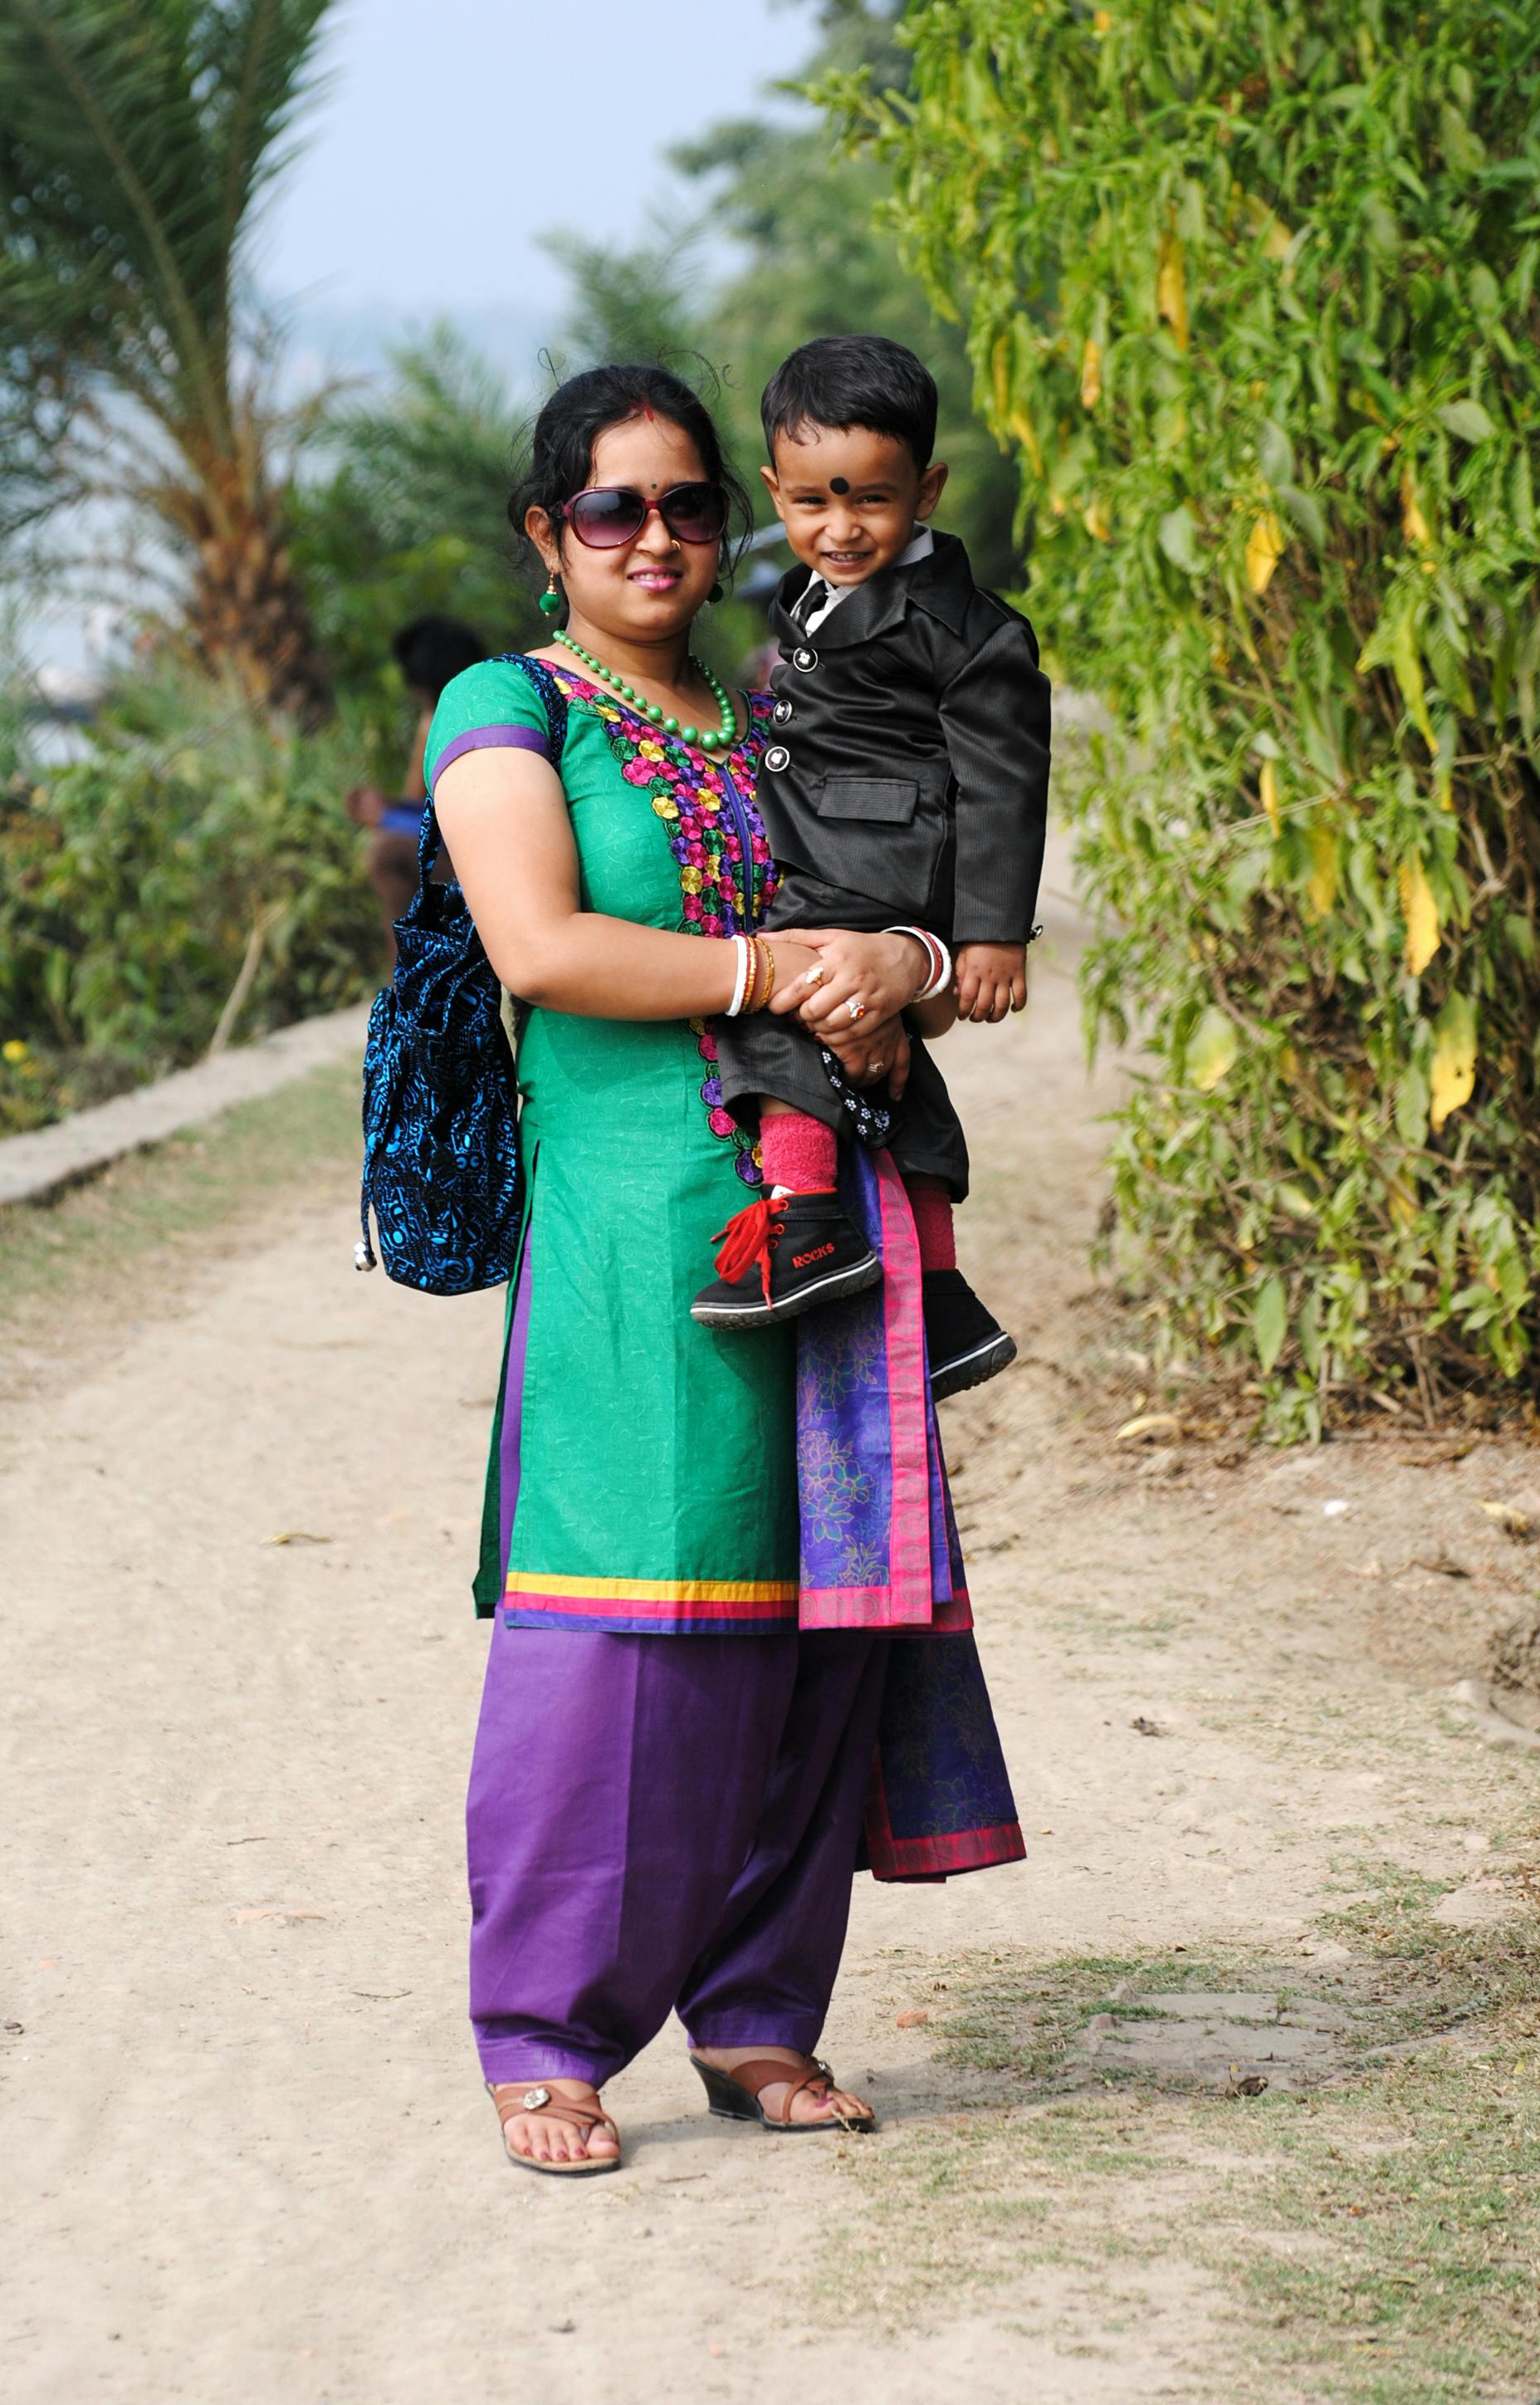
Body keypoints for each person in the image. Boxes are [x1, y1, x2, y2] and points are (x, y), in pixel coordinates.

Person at [427, 362, 1024, 2177]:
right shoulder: (512, 704)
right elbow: (540, 942)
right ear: (551, 535)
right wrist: (782, 968)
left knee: (814, 1630)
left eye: (696, 505)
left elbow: (922, 869)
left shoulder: (787, 691)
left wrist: (907, 958)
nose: (662, 537)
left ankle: (761, 2016)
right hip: (630, 1229)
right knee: (619, 1627)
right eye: (616, 508)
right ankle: (547, 2029)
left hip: (827, 1215)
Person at [695, 336, 1052, 1405]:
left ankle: (807, 1222)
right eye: (811, 503)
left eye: (870, 502)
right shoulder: (800, 593)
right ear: (774, 490)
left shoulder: (963, 627)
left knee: (778, 1008)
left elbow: (1004, 783)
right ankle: (940, 1296)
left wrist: (989, 933)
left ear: (926, 489)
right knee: (889, 1066)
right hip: (837, 856)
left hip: (881, 863)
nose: (839, 529)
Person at [345, 615, 486, 958]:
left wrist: (384, 817)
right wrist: (388, 809)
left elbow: (425, 813)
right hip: (477, 844)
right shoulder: (491, 695)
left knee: (385, 853)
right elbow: (422, 804)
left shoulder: (440, 718)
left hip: (479, 851)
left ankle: (413, 973)